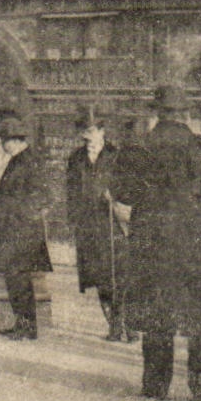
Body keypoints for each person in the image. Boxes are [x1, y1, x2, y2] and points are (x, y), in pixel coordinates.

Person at [113, 84, 201, 401]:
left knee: (158, 313)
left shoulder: (140, 145)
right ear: (184, 111)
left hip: (152, 240)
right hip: (195, 240)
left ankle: (156, 385)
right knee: (199, 316)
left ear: (156, 111)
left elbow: (124, 194)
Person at [65, 110, 131, 341]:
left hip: (112, 223)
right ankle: (114, 325)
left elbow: (127, 186)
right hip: (88, 225)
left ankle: (123, 324)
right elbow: (70, 191)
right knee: (99, 276)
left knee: (118, 274)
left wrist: (115, 196)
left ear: (102, 131)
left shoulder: (116, 155)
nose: (87, 136)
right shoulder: (75, 158)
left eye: (92, 131)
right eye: (84, 131)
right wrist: (73, 220)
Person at [0, 112, 52, 340]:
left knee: (20, 282)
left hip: (20, 235)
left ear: (13, 141)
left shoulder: (28, 161)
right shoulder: (20, 160)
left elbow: (41, 197)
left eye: (4, 142)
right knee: (16, 281)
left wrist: (17, 219)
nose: (3, 147)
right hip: (14, 233)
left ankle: (27, 326)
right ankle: (23, 324)